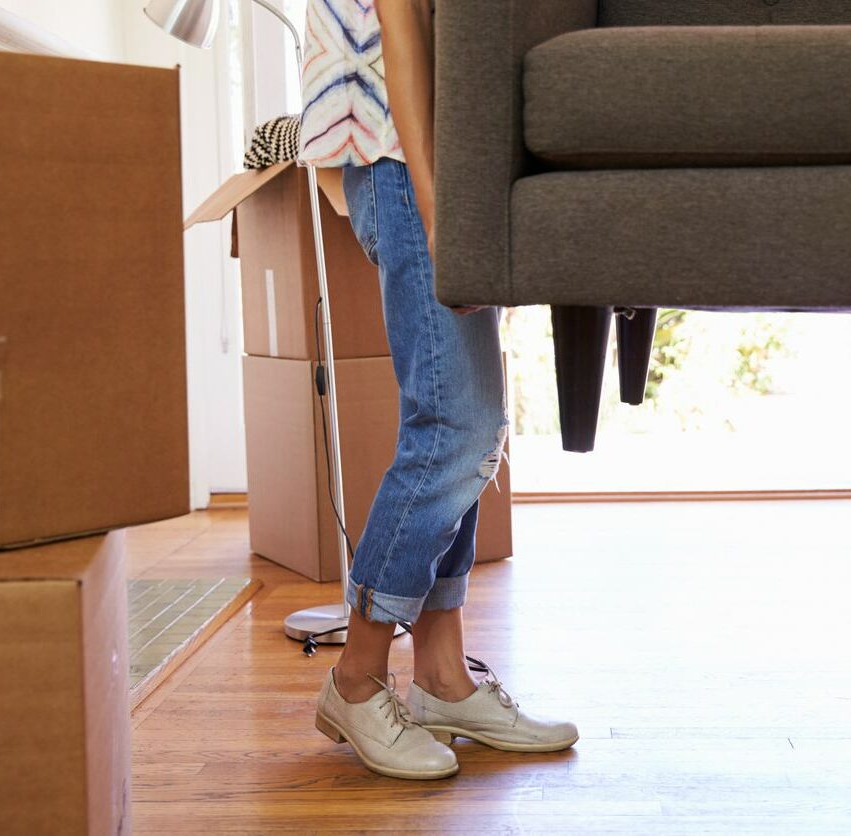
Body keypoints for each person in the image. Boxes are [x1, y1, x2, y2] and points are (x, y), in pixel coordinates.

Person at [297, 0, 578, 780]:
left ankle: (444, 678)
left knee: (468, 422)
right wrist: (434, 200)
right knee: (457, 424)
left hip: (422, 152)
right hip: (398, 153)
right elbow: (402, 21)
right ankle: (354, 680)